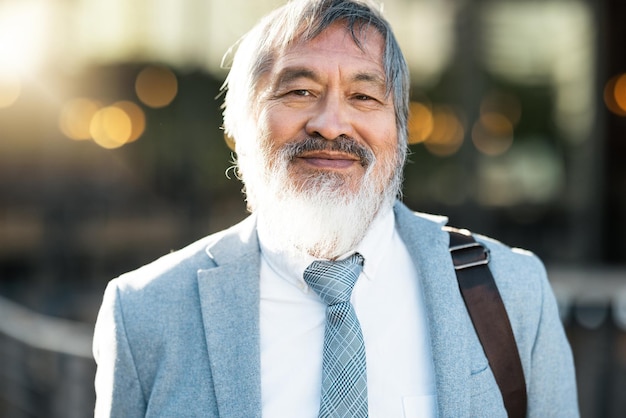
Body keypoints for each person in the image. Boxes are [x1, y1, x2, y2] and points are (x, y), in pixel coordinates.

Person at [92, 0, 579, 416]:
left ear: (400, 133)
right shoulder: (144, 312)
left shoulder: (514, 291)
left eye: (364, 96)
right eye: (299, 91)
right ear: (238, 128)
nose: (330, 124)